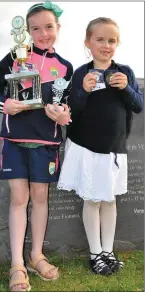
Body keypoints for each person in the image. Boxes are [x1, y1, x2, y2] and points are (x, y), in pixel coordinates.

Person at [0, 2, 73, 291]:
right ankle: (17, 265)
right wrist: (4, 104)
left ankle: (36, 256)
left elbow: (66, 105)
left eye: (48, 26)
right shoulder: (15, 55)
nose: (42, 33)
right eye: (35, 28)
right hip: (14, 141)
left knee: (41, 198)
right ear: (26, 31)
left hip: (46, 142)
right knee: (19, 200)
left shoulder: (65, 67)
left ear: (57, 28)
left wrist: (63, 115)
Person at [57, 17, 143, 276]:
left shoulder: (124, 72)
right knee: (93, 200)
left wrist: (127, 89)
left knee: (110, 201)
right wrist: (82, 90)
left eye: (112, 41)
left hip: (115, 148)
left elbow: (138, 105)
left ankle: (108, 251)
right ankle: (95, 253)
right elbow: (73, 109)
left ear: (117, 44)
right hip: (88, 148)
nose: (106, 45)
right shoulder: (81, 73)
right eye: (100, 40)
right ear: (88, 42)